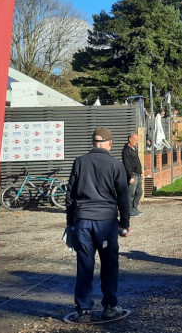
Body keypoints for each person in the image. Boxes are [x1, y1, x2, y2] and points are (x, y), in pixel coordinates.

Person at [66, 127, 131, 323]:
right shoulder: (116, 164)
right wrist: (125, 223)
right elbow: (123, 197)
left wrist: (70, 224)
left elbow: (70, 195)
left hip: (83, 221)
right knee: (109, 265)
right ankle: (110, 306)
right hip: (106, 222)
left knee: (85, 265)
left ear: (93, 143)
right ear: (110, 143)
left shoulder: (80, 162)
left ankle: (84, 309)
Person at [121, 133, 144, 216]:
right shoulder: (126, 150)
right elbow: (126, 164)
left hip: (137, 174)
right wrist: (130, 176)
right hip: (132, 175)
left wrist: (140, 172)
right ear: (130, 139)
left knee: (139, 192)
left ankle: (135, 208)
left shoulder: (134, 149)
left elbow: (137, 161)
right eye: (135, 140)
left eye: (137, 140)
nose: (136, 142)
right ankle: (129, 210)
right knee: (131, 194)